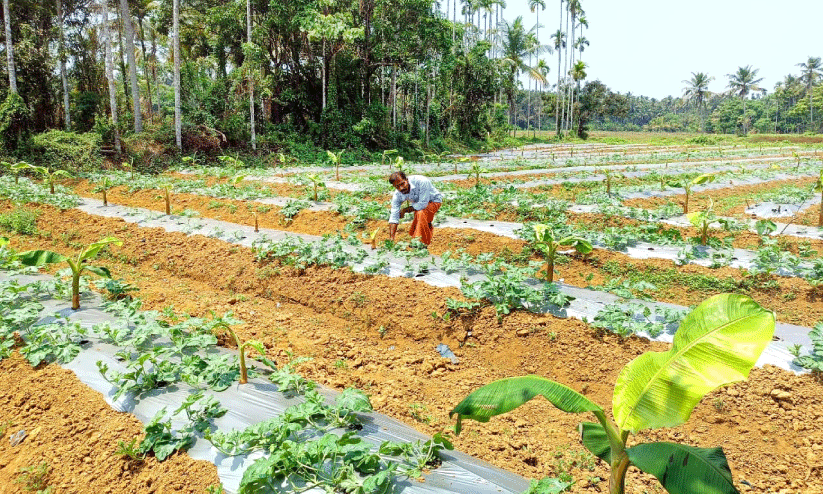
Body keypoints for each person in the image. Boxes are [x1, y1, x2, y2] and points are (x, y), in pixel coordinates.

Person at [387, 171, 443, 246]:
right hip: (419, 206)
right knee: (422, 217)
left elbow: (423, 204)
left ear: (407, 180)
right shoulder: (397, 194)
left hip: (434, 201)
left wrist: (405, 210)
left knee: (421, 213)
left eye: (402, 184)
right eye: (397, 186)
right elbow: (394, 215)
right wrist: (391, 238)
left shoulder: (421, 181)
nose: (401, 188)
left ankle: (419, 241)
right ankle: (423, 240)